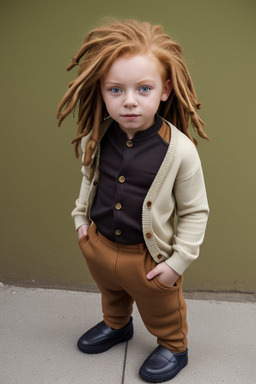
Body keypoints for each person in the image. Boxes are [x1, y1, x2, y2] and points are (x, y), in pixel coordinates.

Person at [57, 19, 209, 383]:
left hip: (150, 258)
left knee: (163, 309)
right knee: (111, 293)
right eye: (115, 90)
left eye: (143, 88)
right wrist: (81, 223)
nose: (128, 101)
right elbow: (89, 180)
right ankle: (117, 325)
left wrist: (178, 262)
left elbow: (195, 211)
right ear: (102, 91)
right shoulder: (100, 136)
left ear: (165, 90)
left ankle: (174, 346)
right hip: (100, 244)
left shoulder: (180, 151)